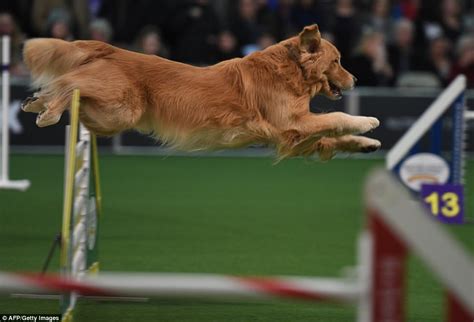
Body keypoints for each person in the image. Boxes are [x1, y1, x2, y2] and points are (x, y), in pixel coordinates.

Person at [387, 19, 418, 84]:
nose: (404, 36)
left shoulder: (418, 54)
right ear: (396, 34)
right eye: (402, 32)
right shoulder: (388, 52)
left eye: (407, 33)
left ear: (412, 35)